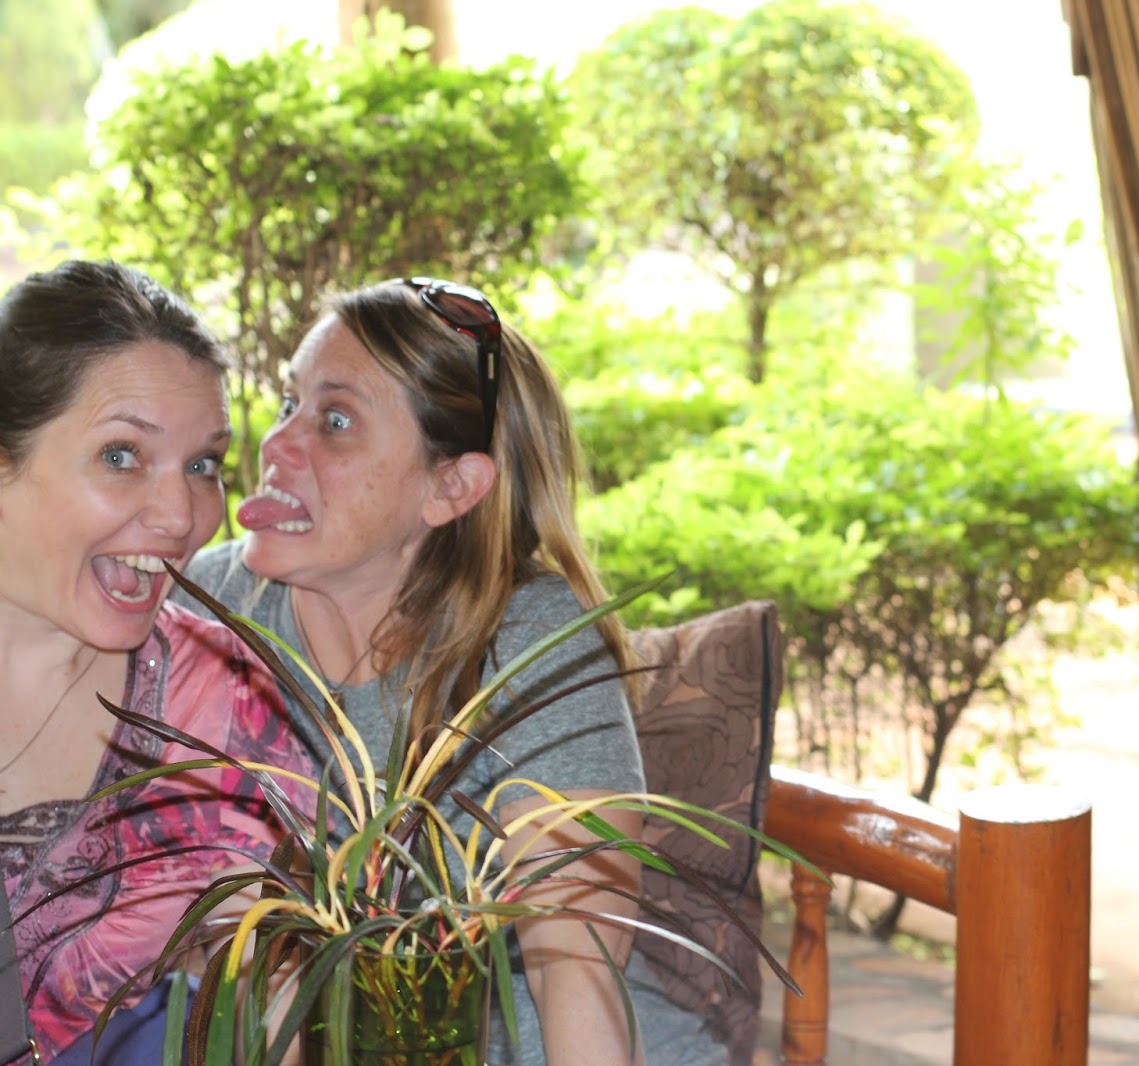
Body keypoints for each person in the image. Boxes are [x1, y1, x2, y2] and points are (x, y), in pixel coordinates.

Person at [175, 277, 723, 1066]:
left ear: (450, 486)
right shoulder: (207, 610)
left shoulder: (527, 642)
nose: (276, 444)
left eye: (335, 421)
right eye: (291, 403)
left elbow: (575, 967)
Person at [0, 259, 312, 1062]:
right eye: (121, 456)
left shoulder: (225, 704)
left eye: (202, 466)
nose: (181, 516)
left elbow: (280, 990)